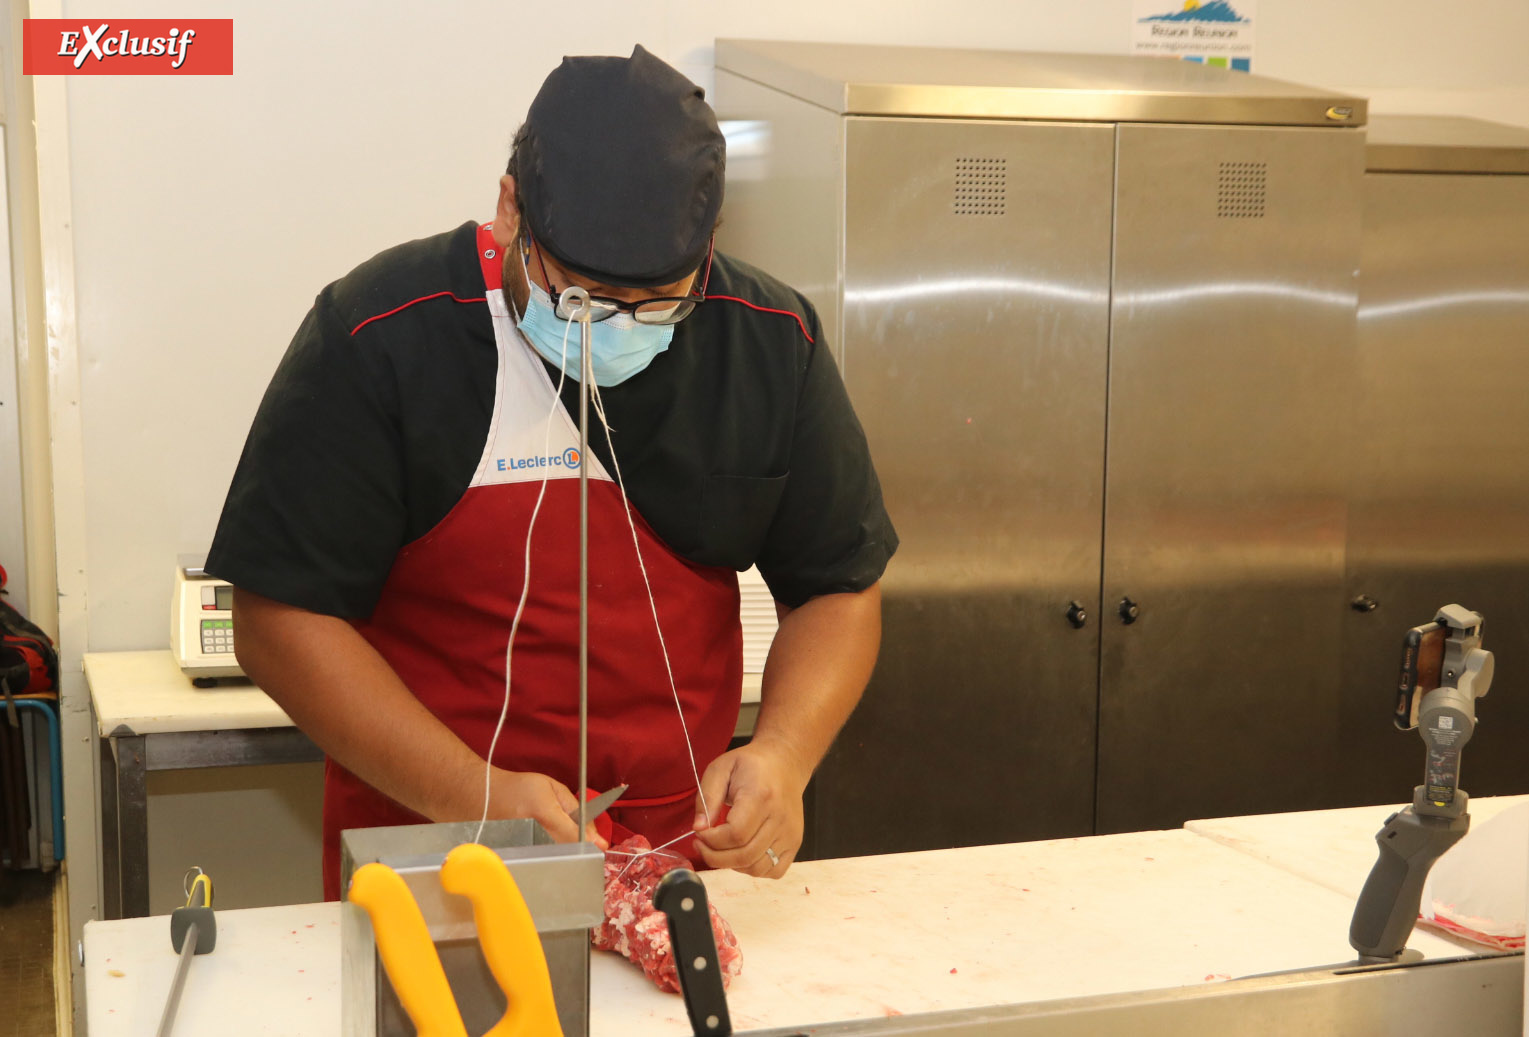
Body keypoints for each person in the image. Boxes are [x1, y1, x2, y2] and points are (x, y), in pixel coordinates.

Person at [208, 45, 897, 899]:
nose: (615, 325)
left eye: (657, 303)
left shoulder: (765, 341)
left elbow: (837, 587)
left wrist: (784, 756)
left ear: (709, 249)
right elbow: (279, 616)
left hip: (677, 855)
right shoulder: (384, 334)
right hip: (432, 847)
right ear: (509, 211)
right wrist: (473, 796)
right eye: (578, 295)